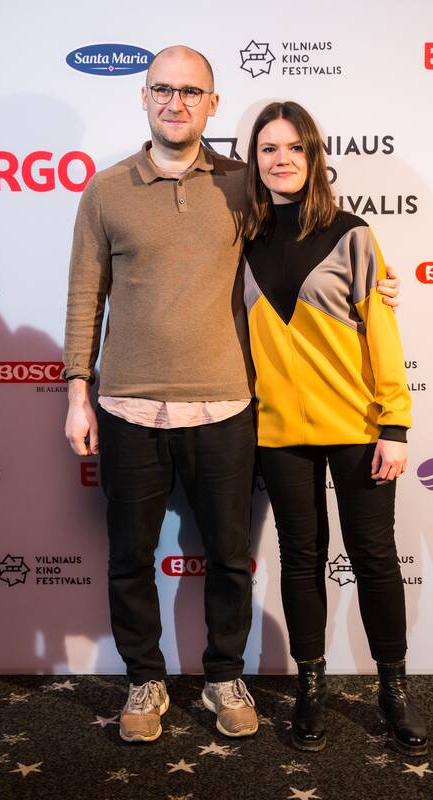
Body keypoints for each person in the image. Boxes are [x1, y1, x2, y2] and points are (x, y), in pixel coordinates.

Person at [62, 46, 399, 744]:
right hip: (127, 407)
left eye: (191, 91)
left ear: (212, 105)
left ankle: (223, 675)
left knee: (227, 556)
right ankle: (143, 679)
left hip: (225, 407)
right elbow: (83, 297)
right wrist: (76, 391)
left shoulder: (244, 185)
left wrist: (380, 283)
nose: (176, 102)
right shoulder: (105, 190)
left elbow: (310, 237)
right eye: (163, 88)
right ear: (144, 97)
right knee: (129, 558)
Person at [242, 101, 427, 756]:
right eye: (268, 148)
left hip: (356, 425)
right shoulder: (240, 239)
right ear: (253, 159)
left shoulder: (353, 234)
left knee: (373, 556)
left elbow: (381, 332)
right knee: (300, 557)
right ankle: (310, 685)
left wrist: (394, 423)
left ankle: (392, 688)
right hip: (277, 431)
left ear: (314, 156)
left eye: (294, 147)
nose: (282, 159)